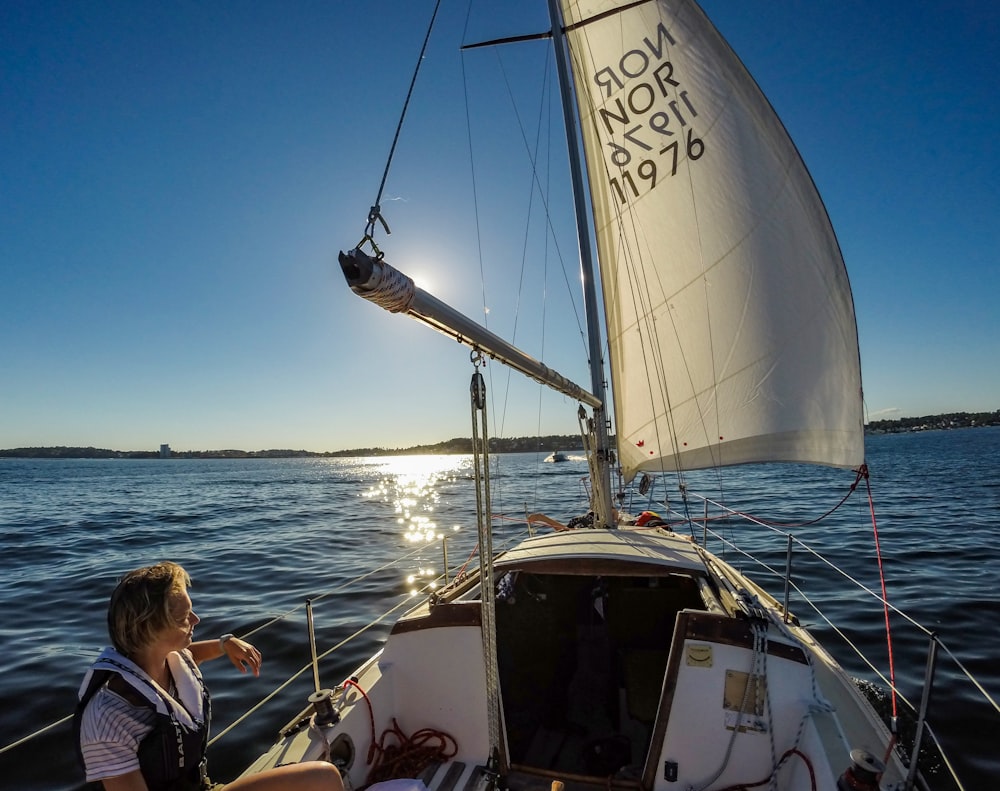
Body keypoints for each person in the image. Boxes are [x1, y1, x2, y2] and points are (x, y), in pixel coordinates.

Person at [75, 561, 344, 791]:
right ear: (150, 627)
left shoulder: (165, 662)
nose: (196, 620)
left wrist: (224, 643)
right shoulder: (109, 718)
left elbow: (191, 656)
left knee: (323, 776)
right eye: (183, 617)